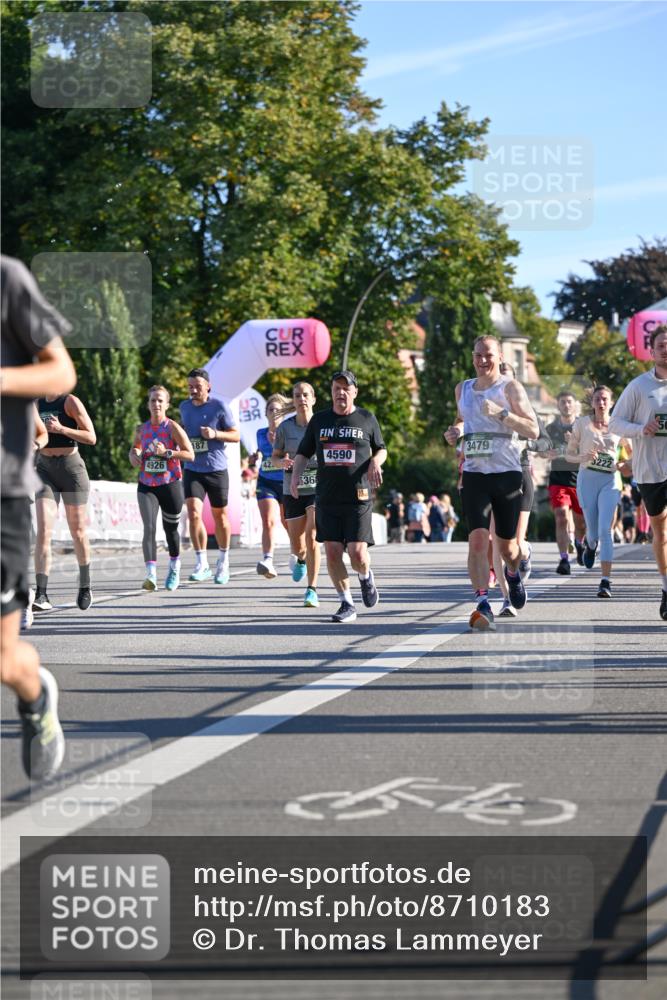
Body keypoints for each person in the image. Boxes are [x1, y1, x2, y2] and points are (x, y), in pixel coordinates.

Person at [1, 254, 76, 780]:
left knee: (5, 660)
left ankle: (35, 698)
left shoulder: (7, 279)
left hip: (2, 496)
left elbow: (60, 371)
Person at [444, 335, 538, 631]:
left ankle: (512, 571)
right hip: (474, 474)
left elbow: (533, 429)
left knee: (507, 547)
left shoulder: (510, 388)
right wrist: (454, 431)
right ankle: (483, 601)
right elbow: (462, 419)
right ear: (472, 356)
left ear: (499, 357)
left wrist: (502, 414)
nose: (482, 360)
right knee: (477, 541)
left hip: (506, 473)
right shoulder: (463, 388)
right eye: (477, 355)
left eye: (488, 355)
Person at [291, 370, 386, 623]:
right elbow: (302, 453)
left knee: (357, 554)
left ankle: (365, 577)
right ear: (331, 392)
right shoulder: (320, 420)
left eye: (346, 388)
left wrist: (375, 462)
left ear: (354, 392)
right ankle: (346, 603)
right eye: (336, 388)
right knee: (332, 552)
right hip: (327, 497)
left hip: (358, 496)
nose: (341, 392)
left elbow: (382, 449)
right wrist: (295, 477)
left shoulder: (366, 418)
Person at [609, 324, 667, 619]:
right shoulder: (639, 387)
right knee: (661, 532)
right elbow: (614, 423)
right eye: (661, 346)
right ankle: (666, 586)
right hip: (649, 470)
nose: (666, 350)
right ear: (652, 351)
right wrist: (641, 429)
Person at [33, 389, 96, 611]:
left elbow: (91, 437)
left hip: (71, 469)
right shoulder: (36, 402)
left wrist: (61, 429)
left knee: (77, 531)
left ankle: (85, 586)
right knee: (43, 530)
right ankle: (41, 594)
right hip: (44, 469)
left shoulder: (70, 402)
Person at [129, 385, 194, 591]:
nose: (156, 404)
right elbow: (135, 449)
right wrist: (134, 454)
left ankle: (174, 566)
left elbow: (189, 454)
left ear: (166, 404)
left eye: (160, 400)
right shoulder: (142, 429)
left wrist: (167, 452)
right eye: (152, 400)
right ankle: (151, 575)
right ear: (147, 405)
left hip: (170, 483)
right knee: (148, 527)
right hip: (147, 484)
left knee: (171, 530)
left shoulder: (172, 427)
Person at [179, 367, 240, 585]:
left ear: (208, 387)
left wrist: (215, 434)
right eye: (190, 387)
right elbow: (183, 433)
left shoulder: (219, 406)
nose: (193, 390)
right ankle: (201, 563)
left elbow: (236, 435)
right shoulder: (184, 407)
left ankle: (223, 562)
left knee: (219, 516)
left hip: (216, 469)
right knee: (194, 514)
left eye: (197, 387)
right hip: (193, 469)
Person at [565, 386, 626, 598]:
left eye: (605, 399)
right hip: (587, 479)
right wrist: (582, 457)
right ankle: (589, 546)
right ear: (592, 403)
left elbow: (631, 454)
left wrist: (624, 463)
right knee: (592, 531)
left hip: (610, 481)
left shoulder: (619, 425)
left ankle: (605, 582)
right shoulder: (581, 424)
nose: (601, 403)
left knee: (605, 530)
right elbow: (568, 454)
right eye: (598, 399)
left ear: (611, 403)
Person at [272, 381, 322, 607]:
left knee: (312, 536)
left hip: (318, 488)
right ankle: (300, 558)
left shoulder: (323, 425)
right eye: (297, 395)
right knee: (297, 544)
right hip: (292, 488)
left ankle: (311, 589)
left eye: (305, 395)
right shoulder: (285, 428)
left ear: (313, 399)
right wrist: (282, 462)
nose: (301, 399)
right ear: (293, 400)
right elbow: (274, 457)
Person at [250, 393, 292, 579]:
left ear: (283, 414)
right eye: (270, 410)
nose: (274, 413)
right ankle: (267, 560)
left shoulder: (289, 433)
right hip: (266, 481)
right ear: (266, 413)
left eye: (277, 410)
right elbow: (259, 452)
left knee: (287, 522)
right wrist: (254, 458)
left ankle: (297, 552)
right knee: (268, 520)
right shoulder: (260, 433)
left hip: (286, 481)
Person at [545, 390, 587, 574]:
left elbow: (592, 451)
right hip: (558, 479)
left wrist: (575, 444)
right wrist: (546, 453)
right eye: (563, 402)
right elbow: (541, 450)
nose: (566, 405)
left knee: (581, 524)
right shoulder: (551, 429)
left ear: (575, 404)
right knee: (561, 516)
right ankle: (564, 559)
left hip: (580, 480)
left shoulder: (583, 426)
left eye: (569, 402)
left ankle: (579, 544)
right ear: (558, 405)